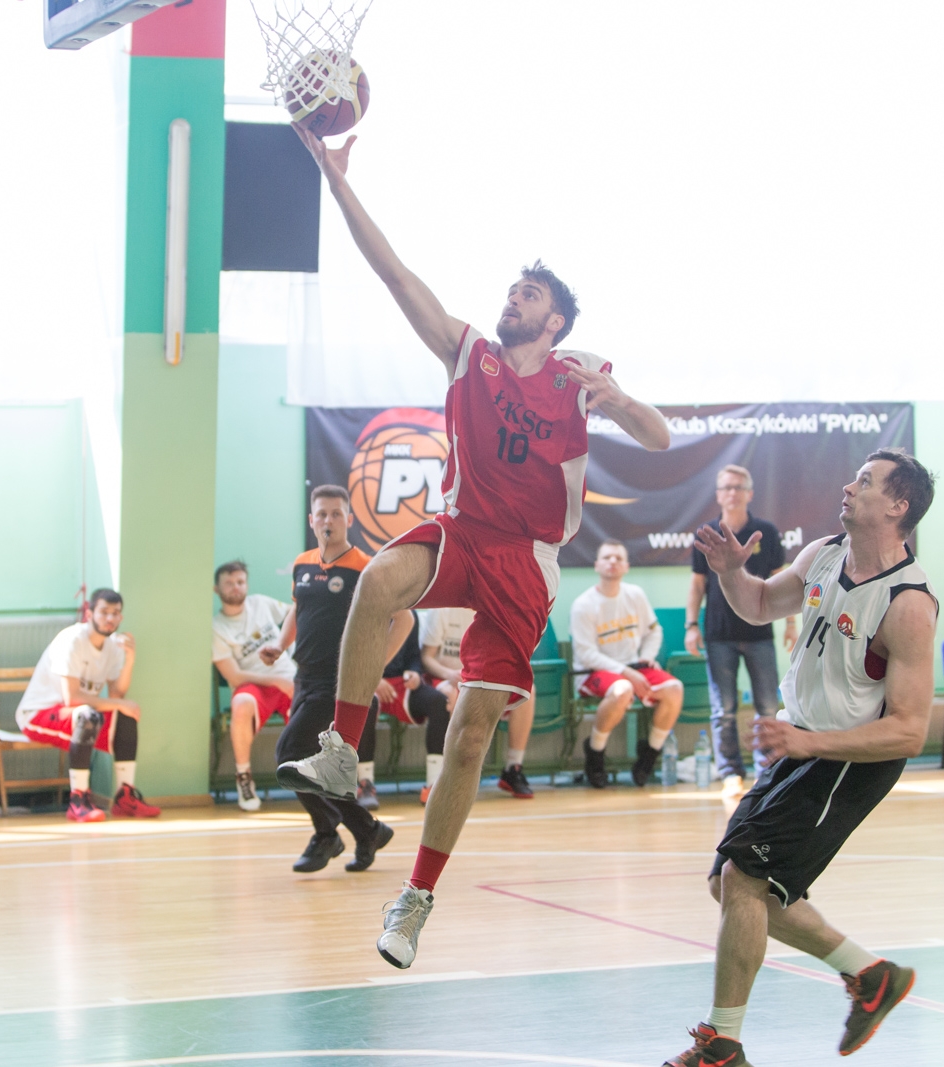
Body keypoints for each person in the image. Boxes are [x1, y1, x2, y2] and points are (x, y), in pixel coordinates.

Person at [277, 126, 671, 969]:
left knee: (468, 734)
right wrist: (335, 180)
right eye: (512, 289)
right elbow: (395, 274)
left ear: (555, 319)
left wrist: (617, 398)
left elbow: (660, 436)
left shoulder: (576, 377)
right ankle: (341, 751)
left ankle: (415, 897)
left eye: (528, 293)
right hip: (463, 529)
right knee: (379, 577)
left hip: (526, 559)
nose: (513, 298)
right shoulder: (470, 356)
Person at [664, 450, 936, 1067]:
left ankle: (722, 1044)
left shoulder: (908, 604)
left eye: (864, 481)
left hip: (848, 760)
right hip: (802, 741)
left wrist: (809, 744)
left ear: (897, 506)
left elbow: (909, 732)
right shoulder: (823, 554)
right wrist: (731, 572)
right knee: (730, 883)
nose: (848, 485)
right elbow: (759, 604)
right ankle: (869, 975)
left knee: (744, 877)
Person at [263, 485, 406, 872]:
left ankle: (327, 834)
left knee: (289, 756)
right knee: (313, 766)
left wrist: (373, 666)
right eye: (322, 514)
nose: (329, 520)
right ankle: (367, 830)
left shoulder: (366, 567)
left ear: (349, 519)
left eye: (336, 514)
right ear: (312, 521)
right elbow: (297, 609)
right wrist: (279, 644)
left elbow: (404, 620)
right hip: (304, 678)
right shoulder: (302, 563)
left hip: (339, 683)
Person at [687, 465, 797, 805]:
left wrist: (791, 624)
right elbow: (697, 584)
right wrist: (691, 626)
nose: (732, 493)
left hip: (760, 633)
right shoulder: (706, 533)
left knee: (768, 707)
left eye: (738, 487)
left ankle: (768, 769)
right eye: (726, 487)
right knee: (724, 709)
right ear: (718, 495)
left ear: (749, 493)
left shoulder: (765, 532)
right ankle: (730, 773)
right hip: (718, 635)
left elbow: (783, 580)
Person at [17, 588, 160, 822]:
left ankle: (125, 796)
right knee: (88, 715)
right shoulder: (72, 640)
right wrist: (118, 702)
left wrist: (130, 660)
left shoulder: (113, 646)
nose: (110, 618)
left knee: (126, 715)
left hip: (76, 714)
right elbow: (71, 698)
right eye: (104, 612)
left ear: (121, 617)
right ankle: (78, 800)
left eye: (115, 613)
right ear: (89, 613)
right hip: (38, 715)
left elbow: (117, 694)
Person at [571, 540, 683, 788]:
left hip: (633, 667)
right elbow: (586, 654)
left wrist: (648, 655)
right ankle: (595, 753)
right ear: (596, 565)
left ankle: (649, 755)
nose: (613, 562)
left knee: (674, 689)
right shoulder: (583, 605)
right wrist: (627, 673)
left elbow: (654, 631)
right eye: (607, 557)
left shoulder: (635, 595)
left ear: (627, 567)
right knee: (622, 690)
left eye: (618, 558)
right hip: (594, 672)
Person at [421, 607, 536, 799]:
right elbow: (426, 658)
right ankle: (449, 775)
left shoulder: (494, 607)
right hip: (446, 678)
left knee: (527, 691)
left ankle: (513, 768)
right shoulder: (442, 610)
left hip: (480, 679)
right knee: (450, 695)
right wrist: (449, 674)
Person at [212, 560, 297, 811]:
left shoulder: (262, 603)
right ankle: (244, 777)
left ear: (247, 585)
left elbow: (297, 613)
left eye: (240, 582)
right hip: (255, 685)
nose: (235, 587)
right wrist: (276, 681)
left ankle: (316, 778)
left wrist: (296, 649)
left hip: (289, 678)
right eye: (229, 583)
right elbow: (235, 676)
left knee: (317, 701)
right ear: (216, 589)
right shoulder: (216, 628)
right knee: (241, 702)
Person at [373, 611, 450, 806]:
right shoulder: (360, 608)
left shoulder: (408, 611)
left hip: (400, 685)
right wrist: (372, 678)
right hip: (367, 681)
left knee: (439, 702)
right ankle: (365, 784)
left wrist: (414, 673)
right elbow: (348, 654)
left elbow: (414, 656)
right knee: (367, 705)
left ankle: (433, 785)